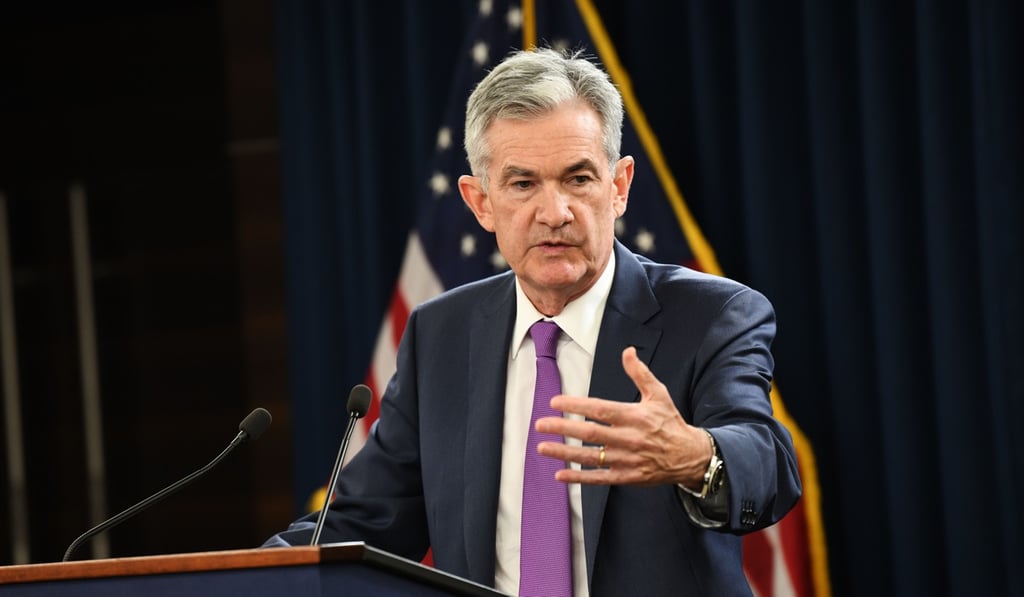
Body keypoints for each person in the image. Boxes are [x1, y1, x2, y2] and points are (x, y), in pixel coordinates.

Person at [265, 47, 802, 597]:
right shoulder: (441, 334)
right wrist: (231, 577)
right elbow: (363, 522)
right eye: (523, 184)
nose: (554, 212)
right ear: (481, 203)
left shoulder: (712, 315)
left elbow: (768, 462)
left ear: (618, 186)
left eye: (578, 179)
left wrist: (693, 455)